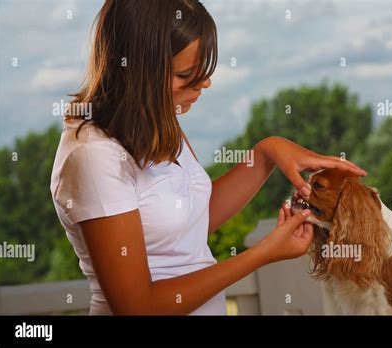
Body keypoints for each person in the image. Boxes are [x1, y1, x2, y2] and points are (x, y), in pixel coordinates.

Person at [50, 0, 367, 315]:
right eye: (186, 73)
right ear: (134, 69)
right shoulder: (92, 156)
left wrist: (268, 152)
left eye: (203, 71)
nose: (204, 83)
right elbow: (138, 307)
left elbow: (190, 219)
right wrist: (261, 254)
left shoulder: (158, 124)